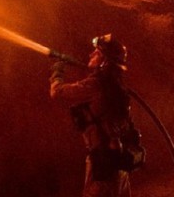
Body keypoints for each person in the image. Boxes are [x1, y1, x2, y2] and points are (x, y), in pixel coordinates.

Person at [50, 34, 133, 197]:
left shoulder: (96, 84)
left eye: (96, 53)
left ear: (105, 61)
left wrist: (57, 72)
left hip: (103, 163)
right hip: (119, 161)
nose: (91, 54)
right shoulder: (117, 85)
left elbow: (57, 93)